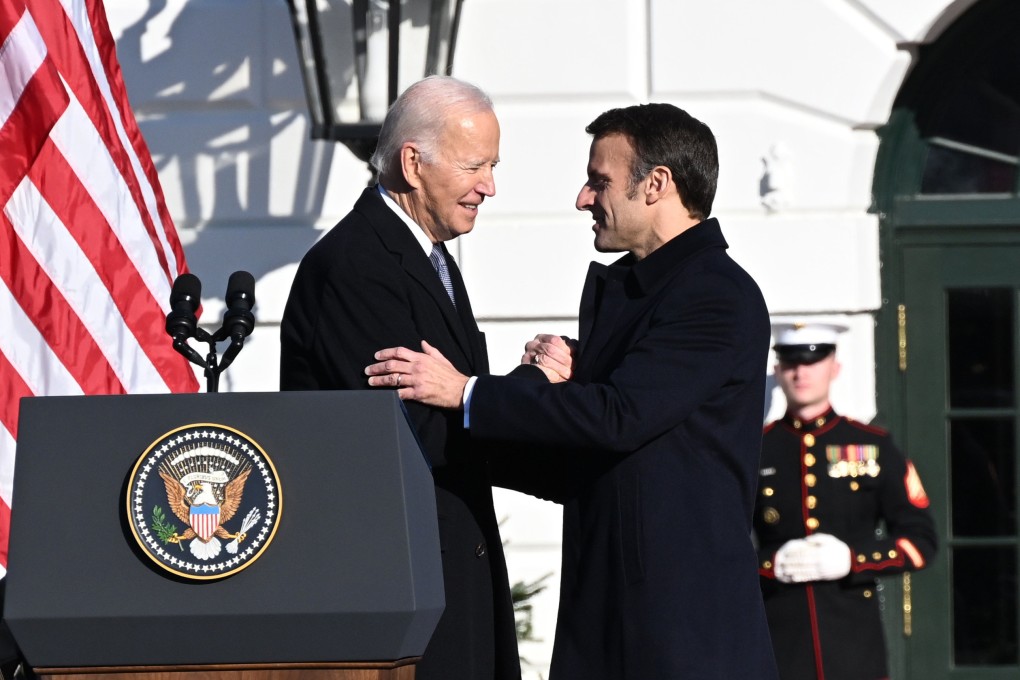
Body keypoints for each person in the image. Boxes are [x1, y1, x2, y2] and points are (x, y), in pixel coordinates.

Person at [365, 103, 779, 679]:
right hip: (612, 626)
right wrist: (470, 437)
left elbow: (617, 417)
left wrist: (467, 393)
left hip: (680, 640)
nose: (584, 198)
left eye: (600, 181)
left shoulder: (714, 295)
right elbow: (586, 464)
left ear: (656, 184)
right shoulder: (648, 295)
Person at [279, 76, 520, 680]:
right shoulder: (357, 266)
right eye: (475, 166)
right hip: (402, 598)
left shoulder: (429, 255)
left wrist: (492, 393)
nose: (489, 186)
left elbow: (452, 400)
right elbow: (407, 436)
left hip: (447, 579)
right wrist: (519, 394)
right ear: (413, 163)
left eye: (492, 165)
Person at [753, 321, 938, 680]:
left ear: (834, 367)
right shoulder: (757, 449)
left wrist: (852, 559)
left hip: (854, 640)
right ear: (777, 370)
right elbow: (721, 542)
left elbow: (920, 542)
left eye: (812, 361)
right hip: (779, 637)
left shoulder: (874, 445)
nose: (800, 372)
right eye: (790, 363)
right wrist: (769, 564)